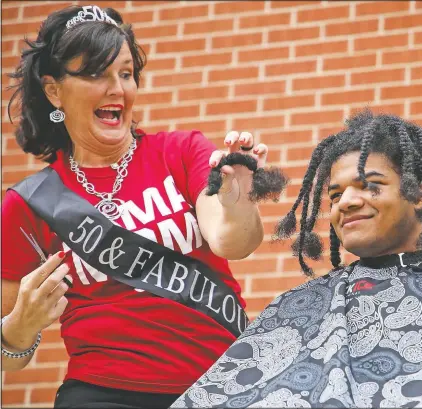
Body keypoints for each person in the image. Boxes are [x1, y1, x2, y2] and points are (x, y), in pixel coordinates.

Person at [0, 5, 281, 408]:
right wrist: (19, 329)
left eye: (126, 73)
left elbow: (231, 241)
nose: (118, 89)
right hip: (103, 393)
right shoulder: (29, 203)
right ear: (54, 90)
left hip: (223, 383)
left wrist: (237, 203)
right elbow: (5, 351)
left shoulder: (181, 152)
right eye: (96, 73)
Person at [171, 109, 422, 408]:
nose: (345, 203)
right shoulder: (295, 309)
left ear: (417, 193)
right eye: (335, 195)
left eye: (369, 185)